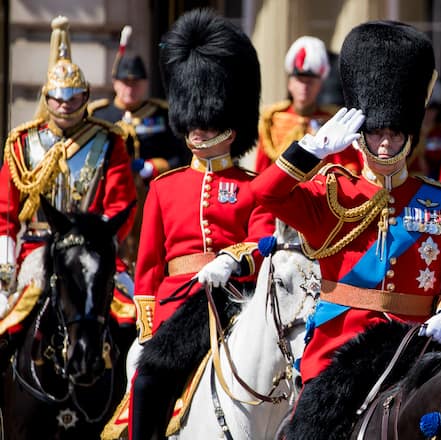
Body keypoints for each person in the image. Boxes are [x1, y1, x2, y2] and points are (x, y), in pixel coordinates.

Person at [199, 20, 441, 423]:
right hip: (340, 352)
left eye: (395, 133)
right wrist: (309, 152)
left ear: (410, 135)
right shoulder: (334, 192)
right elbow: (262, 194)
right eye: (376, 132)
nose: (385, 143)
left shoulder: (439, 203)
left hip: (414, 351)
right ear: (360, 136)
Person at [127, 9, 274, 440]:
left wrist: (231, 260)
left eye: (207, 121)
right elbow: (149, 265)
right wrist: (148, 324)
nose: (198, 129)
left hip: (235, 302)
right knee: (149, 377)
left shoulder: (253, 186)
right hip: (176, 306)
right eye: (194, 120)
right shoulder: (164, 187)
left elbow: (262, 243)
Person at [0, 16, 136, 345]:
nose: (65, 105)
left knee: (135, 318)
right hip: (36, 248)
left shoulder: (109, 141)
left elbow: (121, 204)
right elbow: (5, 212)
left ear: (86, 97)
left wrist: (98, 242)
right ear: (47, 98)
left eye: (73, 98)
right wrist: (4, 268)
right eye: (58, 98)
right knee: (9, 323)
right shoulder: (22, 143)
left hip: (92, 248)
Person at [89, 25, 190, 184]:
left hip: (151, 189)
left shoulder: (162, 113)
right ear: (115, 83)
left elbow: (180, 157)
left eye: (136, 82)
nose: (130, 88)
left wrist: (154, 167)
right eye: (125, 82)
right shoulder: (98, 114)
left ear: (145, 83)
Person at [254, 35, 362, 174]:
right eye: (299, 80)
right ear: (290, 83)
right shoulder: (271, 119)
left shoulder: (333, 119)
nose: (304, 87)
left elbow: (349, 166)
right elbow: (262, 169)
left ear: (320, 85)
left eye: (310, 82)